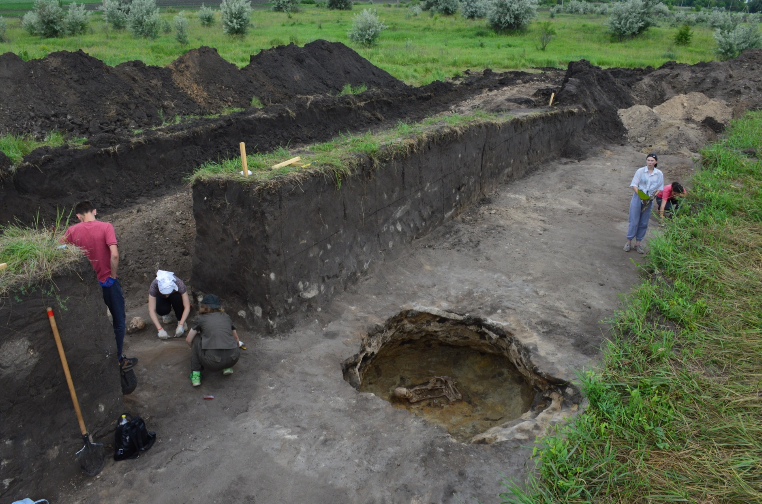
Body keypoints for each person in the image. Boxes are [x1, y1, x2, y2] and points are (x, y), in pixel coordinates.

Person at [63, 201, 137, 372]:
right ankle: (118, 359)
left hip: (88, 286)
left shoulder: (72, 231)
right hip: (108, 283)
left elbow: (59, 250)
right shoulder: (106, 227)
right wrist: (112, 276)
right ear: (94, 211)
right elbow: (115, 255)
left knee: (95, 322)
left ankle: (100, 360)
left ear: (78, 216)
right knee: (118, 321)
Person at [185, 294, 240, 387]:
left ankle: (196, 374)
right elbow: (236, 338)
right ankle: (227, 368)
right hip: (234, 358)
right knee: (227, 336)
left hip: (214, 363)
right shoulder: (226, 316)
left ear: (204, 306)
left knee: (196, 338)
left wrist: (197, 351)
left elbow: (188, 339)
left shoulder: (201, 318)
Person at [624, 153, 663, 254]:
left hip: (649, 199)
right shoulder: (640, 171)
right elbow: (634, 185)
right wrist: (641, 195)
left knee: (644, 222)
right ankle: (628, 242)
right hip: (638, 197)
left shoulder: (659, 174)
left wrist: (652, 197)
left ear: (656, 162)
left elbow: (659, 188)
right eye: (648, 160)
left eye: (652, 161)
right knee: (634, 220)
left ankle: (638, 243)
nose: (650, 162)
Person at [148, 270, 191, 340]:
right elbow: (151, 310)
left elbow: (187, 306)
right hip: (161, 297)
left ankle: (180, 318)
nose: (167, 295)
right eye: (165, 293)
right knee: (161, 309)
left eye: (168, 293)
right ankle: (165, 313)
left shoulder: (179, 283)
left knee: (177, 298)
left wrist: (181, 325)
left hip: (175, 295)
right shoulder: (154, 285)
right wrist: (160, 329)